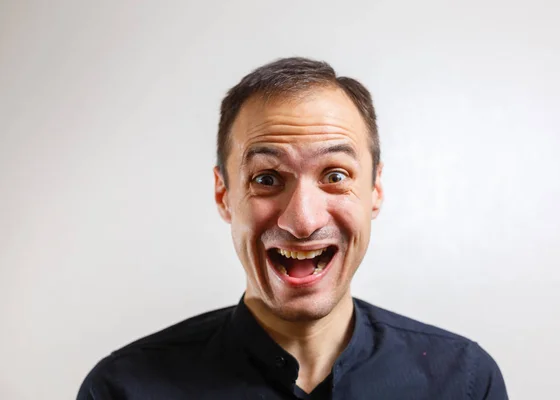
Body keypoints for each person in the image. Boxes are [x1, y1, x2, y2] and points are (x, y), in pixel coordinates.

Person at [77, 57, 508, 399]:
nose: (303, 220)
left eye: (335, 176)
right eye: (267, 179)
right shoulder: (124, 389)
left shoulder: (463, 382)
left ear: (374, 190)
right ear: (223, 194)